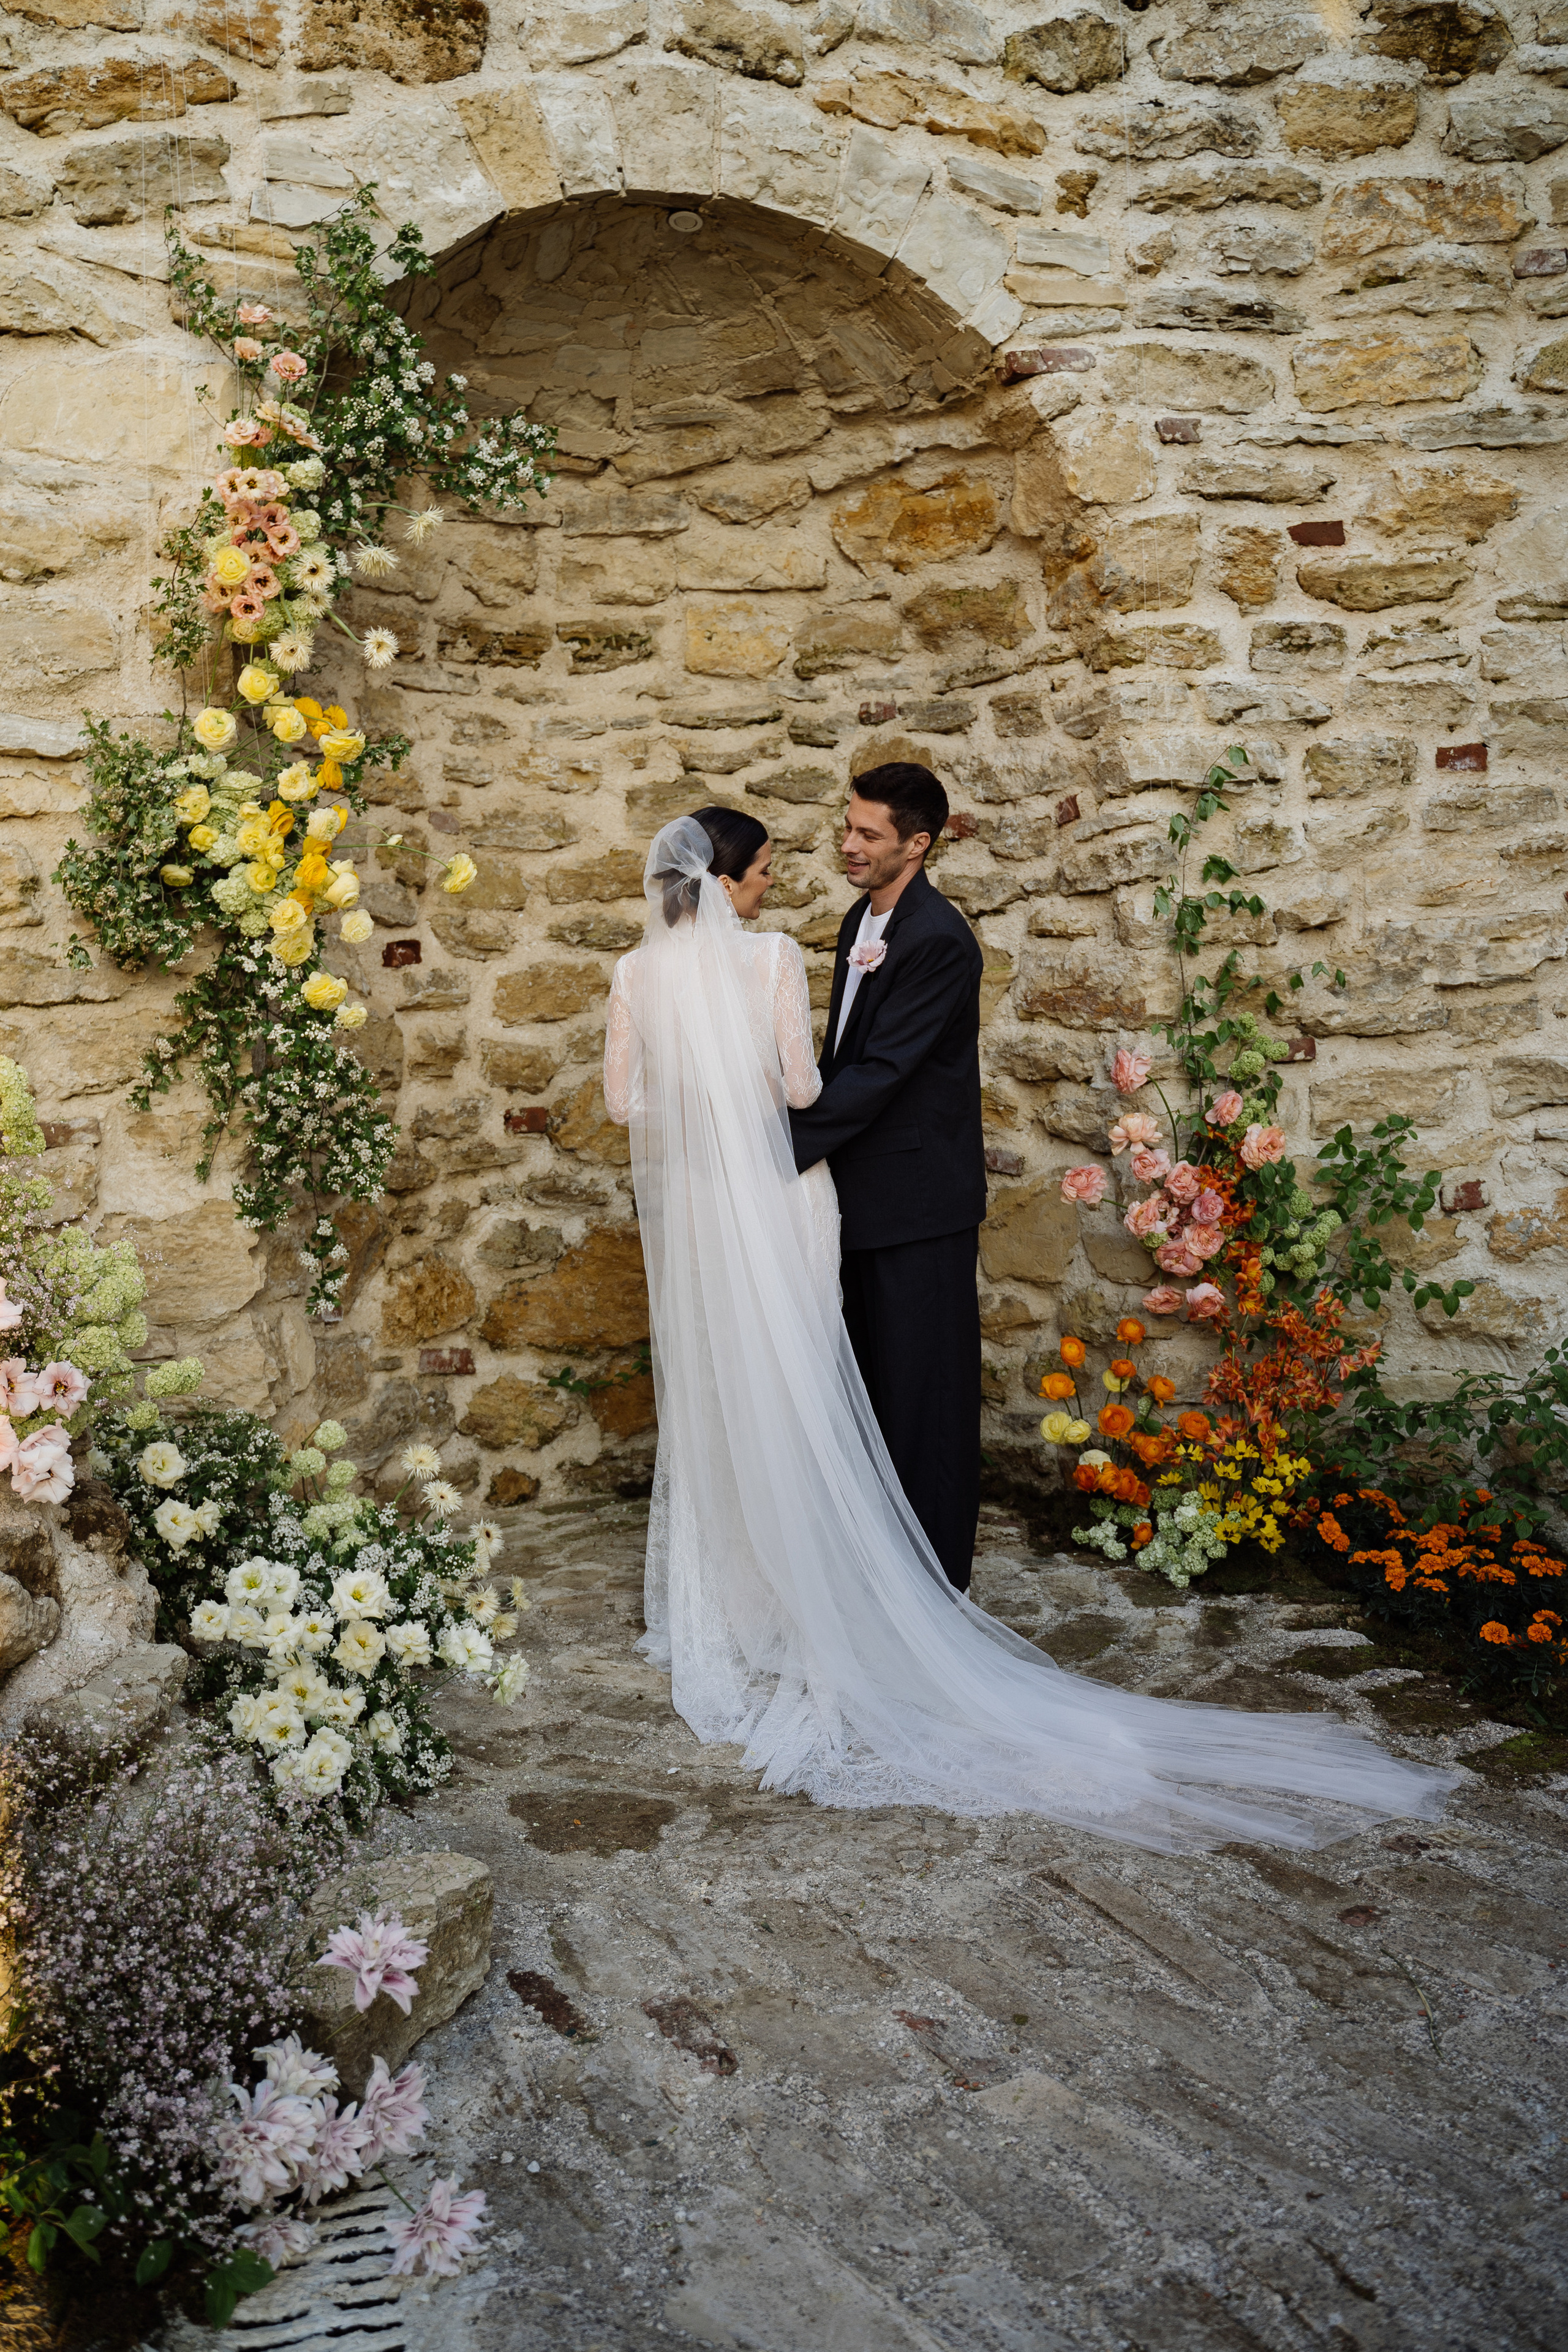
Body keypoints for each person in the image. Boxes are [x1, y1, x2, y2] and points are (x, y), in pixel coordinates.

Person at [602, 809, 1459, 1850]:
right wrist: (756, 1109)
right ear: (731, 880)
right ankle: (813, 1589)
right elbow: (801, 1087)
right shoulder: (778, 955)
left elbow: (625, 1103)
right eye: (771, 869)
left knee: (717, 1387)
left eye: (852, 836)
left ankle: (727, 1610)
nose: (788, 880)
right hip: (781, 1197)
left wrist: (704, 1121)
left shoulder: (634, 975)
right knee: (799, 1381)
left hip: (694, 1207)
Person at [785, 764, 984, 1593]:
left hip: (918, 1202)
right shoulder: (856, 922)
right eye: (848, 827)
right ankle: (878, 1566)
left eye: (868, 834)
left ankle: (936, 1580)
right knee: (869, 1383)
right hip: (858, 1195)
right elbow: (841, 1059)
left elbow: (885, 1069)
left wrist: (777, 1145)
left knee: (923, 1393)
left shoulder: (940, 939)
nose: (849, 845)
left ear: (918, 842)